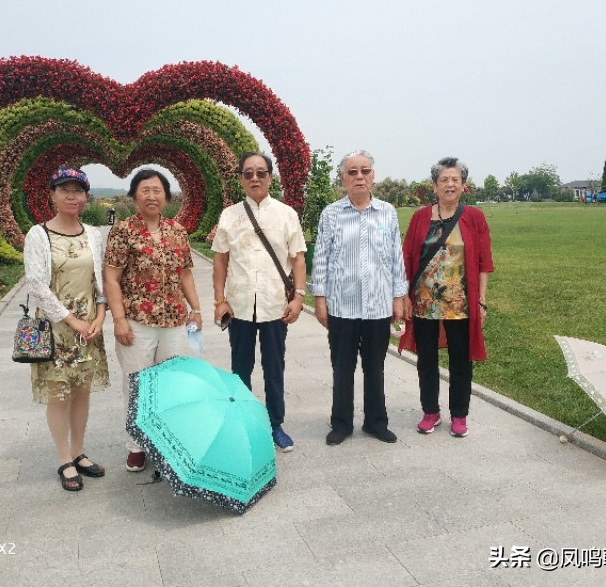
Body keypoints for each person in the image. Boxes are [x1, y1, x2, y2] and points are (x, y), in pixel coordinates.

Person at [104, 168, 202, 473]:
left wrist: (196, 309)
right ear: (134, 196)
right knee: (137, 385)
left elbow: (185, 273)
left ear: (167, 196)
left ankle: (164, 442)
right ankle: (136, 446)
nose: (151, 196)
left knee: (169, 385)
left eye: (157, 190)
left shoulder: (177, 231)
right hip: (137, 322)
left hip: (174, 321)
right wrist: (118, 319)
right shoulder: (123, 231)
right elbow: (111, 277)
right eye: (145, 190)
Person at [211, 152, 307, 452]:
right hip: (239, 306)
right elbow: (220, 261)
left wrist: (299, 296)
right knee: (240, 368)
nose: (255, 178)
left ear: (270, 177)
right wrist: (219, 300)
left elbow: (298, 258)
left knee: (274, 367)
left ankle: (275, 423)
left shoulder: (286, 214)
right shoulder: (230, 215)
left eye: (261, 173)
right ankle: (243, 422)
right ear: (240, 178)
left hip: (275, 305)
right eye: (249, 173)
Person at [310, 150, 407, 446]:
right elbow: (322, 259)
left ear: (373, 175)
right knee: (342, 367)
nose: (359, 176)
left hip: (378, 305)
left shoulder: (387, 212)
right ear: (343, 178)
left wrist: (398, 296)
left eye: (365, 170)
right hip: (342, 305)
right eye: (352, 172)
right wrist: (320, 299)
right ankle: (341, 423)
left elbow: (395, 258)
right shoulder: (331, 214)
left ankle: (376, 422)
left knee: (374, 367)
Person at [23, 167, 109, 491]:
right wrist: (73, 321)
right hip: (57, 328)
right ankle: (63, 459)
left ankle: (79, 452)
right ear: (53, 195)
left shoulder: (93, 234)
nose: (72, 196)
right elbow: (37, 286)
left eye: (78, 190)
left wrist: (100, 316)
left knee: (82, 392)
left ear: (86, 196)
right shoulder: (39, 235)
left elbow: (98, 280)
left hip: (89, 328)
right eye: (64, 189)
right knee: (59, 394)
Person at [399, 157, 494, 438]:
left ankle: (459, 416)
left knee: (460, 361)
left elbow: (483, 262)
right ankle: (430, 412)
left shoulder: (474, 217)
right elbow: (406, 259)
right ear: (435, 186)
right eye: (444, 180)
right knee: (426, 361)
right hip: (424, 303)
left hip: (460, 305)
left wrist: (482, 300)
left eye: (455, 180)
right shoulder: (420, 217)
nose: (449, 184)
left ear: (463, 185)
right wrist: (404, 296)